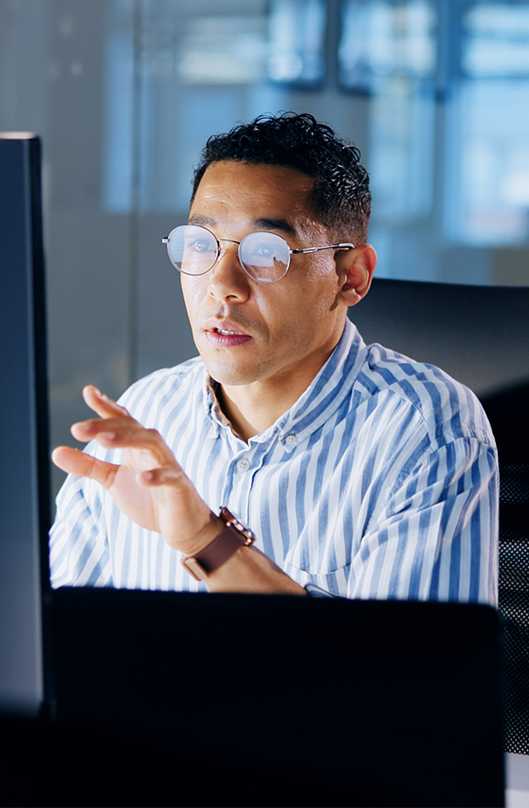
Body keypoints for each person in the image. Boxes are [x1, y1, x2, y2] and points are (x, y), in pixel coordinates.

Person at [48, 113, 498, 602]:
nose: (221, 284)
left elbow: (395, 676)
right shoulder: (144, 415)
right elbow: (54, 644)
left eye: (266, 252)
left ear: (351, 276)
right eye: (201, 245)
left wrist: (207, 542)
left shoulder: (426, 433)